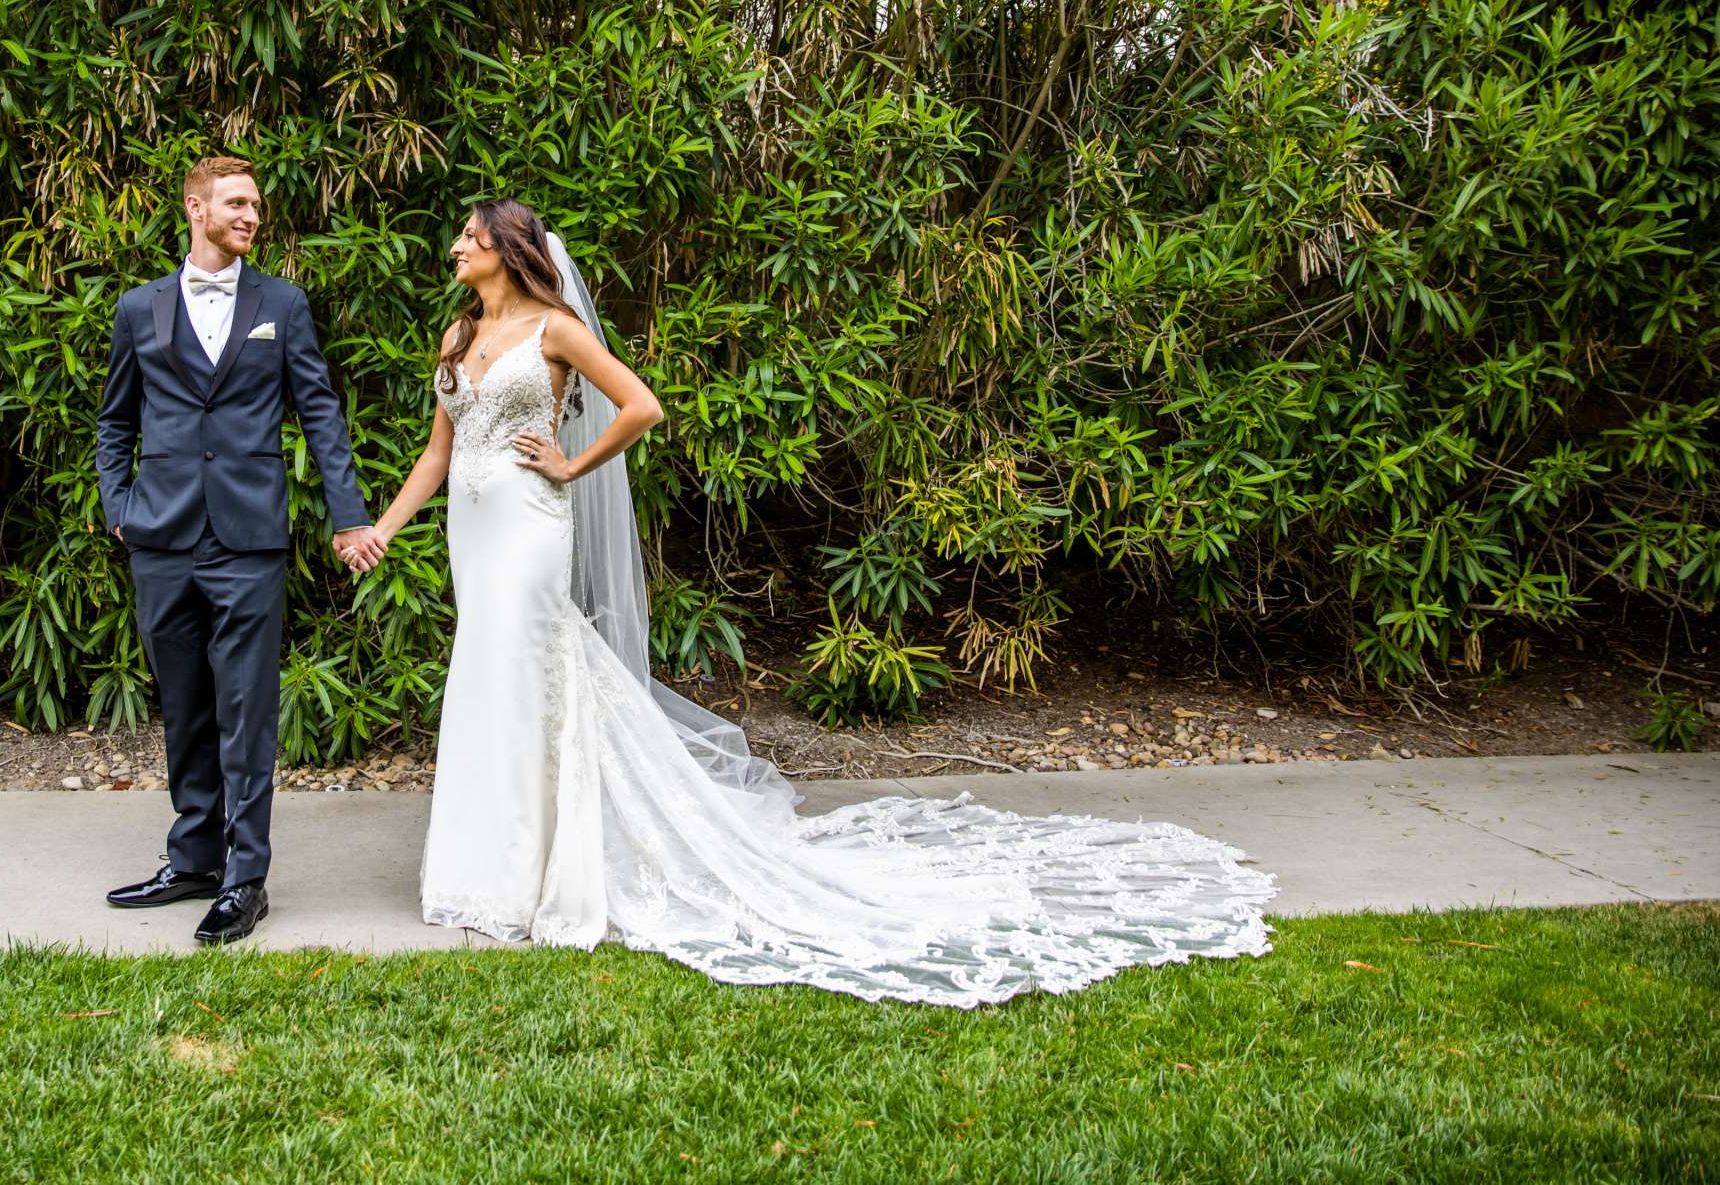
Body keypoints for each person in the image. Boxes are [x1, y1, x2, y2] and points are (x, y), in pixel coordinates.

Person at [355, 198, 1275, 1005]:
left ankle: (532, 876)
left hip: (529, 521)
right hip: (470, 531)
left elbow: (641, 406)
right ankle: (482, 871)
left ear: (508, 250)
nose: (454, 250)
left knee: (527, 673)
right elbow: (438, 454)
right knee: (485, 681)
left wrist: (570, 462)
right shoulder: (457, 338)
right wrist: (386, 530)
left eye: (468, 238)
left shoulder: (554, 330)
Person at [95, 156, 383, 945]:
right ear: (195, 208)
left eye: (256, 203)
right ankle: (191, 858)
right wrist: (118, 505)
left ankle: (244, 877)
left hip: (249, 540)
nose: (252, 214)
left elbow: (319, 414)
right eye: (236, 202)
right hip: (161, 536)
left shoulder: (281, 305)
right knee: (183, 705)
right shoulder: (138, 308)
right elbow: (115, 419)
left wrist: (348, 516)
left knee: (247, 713)